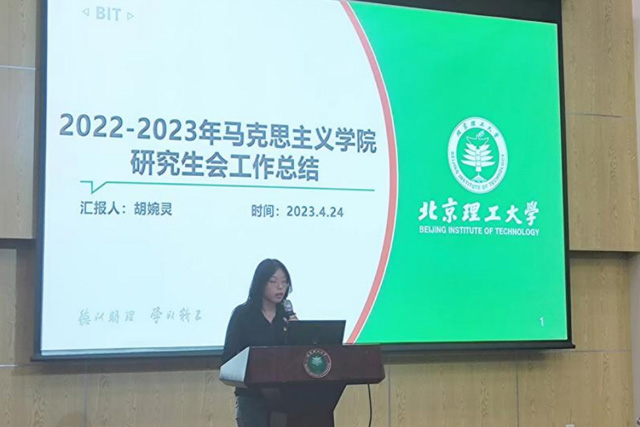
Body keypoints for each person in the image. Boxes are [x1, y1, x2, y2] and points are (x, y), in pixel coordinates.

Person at [222, 258, 298, 427]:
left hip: (284, 397)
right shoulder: (243, 315)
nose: (280, 287)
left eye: (284, 282)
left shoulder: (287, 317)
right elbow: (228, 358)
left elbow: (297, 358)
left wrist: (297, 332)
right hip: (251, 397)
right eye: (273, 281)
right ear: (260, 283)